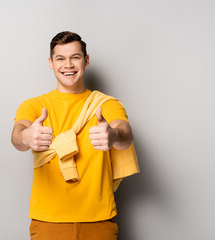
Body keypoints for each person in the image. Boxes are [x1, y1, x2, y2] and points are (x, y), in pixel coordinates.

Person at [11, 31, 139, 240]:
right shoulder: (34, 105)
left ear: (86, 60)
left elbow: (125, 132)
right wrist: (27, 137)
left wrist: (113, 135)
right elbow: (18, 135)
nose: (68, 65)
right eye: (60, 58)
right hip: (48, 221)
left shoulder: (106, 104)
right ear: (51, 63)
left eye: (75, 57)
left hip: (99, 220)